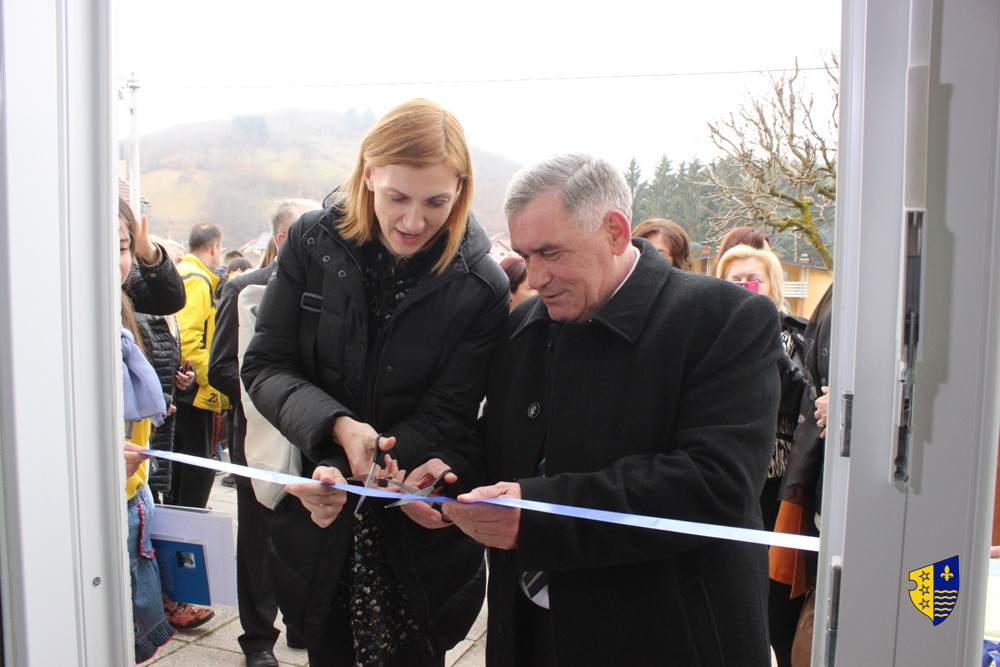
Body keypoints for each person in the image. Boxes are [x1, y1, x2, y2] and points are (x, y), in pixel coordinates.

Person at [396, 154, 783, 665]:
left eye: (550, 252)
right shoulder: (524, 325)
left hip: (666, 639)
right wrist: (449, 476)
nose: (535, 277)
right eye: (525, 255)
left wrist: (537, 517)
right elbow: (505, 443)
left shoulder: (725, 318)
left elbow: (717, 482)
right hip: (531, 636)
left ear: (615, 232)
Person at [240, 98, 510, 666]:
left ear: (461, 190)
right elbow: (265, 365)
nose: (413, 221)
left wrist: (392, 464)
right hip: (320, 513)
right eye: (397, 197)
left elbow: (452, 408)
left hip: (415, 530)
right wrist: (337, 429)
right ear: (368, 175)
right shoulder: (313, 242)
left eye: (436, 202)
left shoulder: (481, 283)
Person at [209, 198, 320, 667]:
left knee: (309, 530)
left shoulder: (326, 291)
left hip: (312, 435)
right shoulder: (245, 288)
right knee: (257, 538)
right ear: (284, 239)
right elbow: (221, 368)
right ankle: (257, 638)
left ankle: (300, 619)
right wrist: (273, 397)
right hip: (258, 437)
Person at [716, 243, 809, 667]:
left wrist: (762, 335)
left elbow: (795, 396)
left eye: (752, 279)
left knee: (772, 596)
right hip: (722, 474)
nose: (743, 287)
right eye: (733, 280)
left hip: (774, 481)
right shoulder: (708, 335)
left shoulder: (791, 337)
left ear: (772, 286)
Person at [118, 197, 175, 663]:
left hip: (134, 491)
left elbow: (168, 294)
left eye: (120, 246)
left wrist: (146, 251)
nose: (111, 260)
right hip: (108, 499)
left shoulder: (121, 309)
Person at [170, 224, 229, 510]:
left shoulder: (183, 273)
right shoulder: (197, 278)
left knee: (180, 472)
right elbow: (188, 340)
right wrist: (213, 379)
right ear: (215, 247)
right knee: (195, 473)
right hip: (194, 394)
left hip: (184, 391)